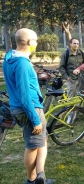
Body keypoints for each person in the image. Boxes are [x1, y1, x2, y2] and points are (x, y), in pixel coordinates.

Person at [3, 28, 50, 184]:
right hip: (29, 108)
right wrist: (35, 119)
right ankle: (31, 179)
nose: (36, 43)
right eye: (35, 40)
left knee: (40, 141)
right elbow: (24, 95)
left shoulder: (10, 57)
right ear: (29, 42)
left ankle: (40, 175)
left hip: (19, 107)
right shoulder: (22, 63)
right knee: (32, 145)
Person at [58, 38, 84, 108]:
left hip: (81, 80)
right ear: (70, 44)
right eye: (74, 43)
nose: (76, 45)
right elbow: (61, 67)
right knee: (71, 98)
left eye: (77, 44)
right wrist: (66, 77)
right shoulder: (66, 54)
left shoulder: (81, 53)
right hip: (71, 80)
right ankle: (70, 115)